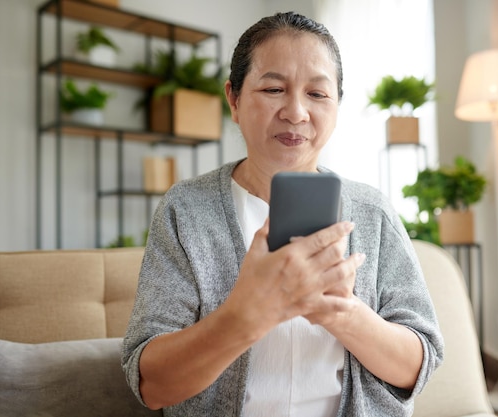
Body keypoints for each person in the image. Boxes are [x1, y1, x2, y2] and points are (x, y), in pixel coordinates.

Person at [122, 11, 443, 417]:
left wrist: (341, 312)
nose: (296, 112)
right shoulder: (186, 210)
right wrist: (248, 315)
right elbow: (152, 385)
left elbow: (419, 364)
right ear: (234, 100)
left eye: (318, 94)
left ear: (337, 106)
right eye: (274, 88)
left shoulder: (372, 212)